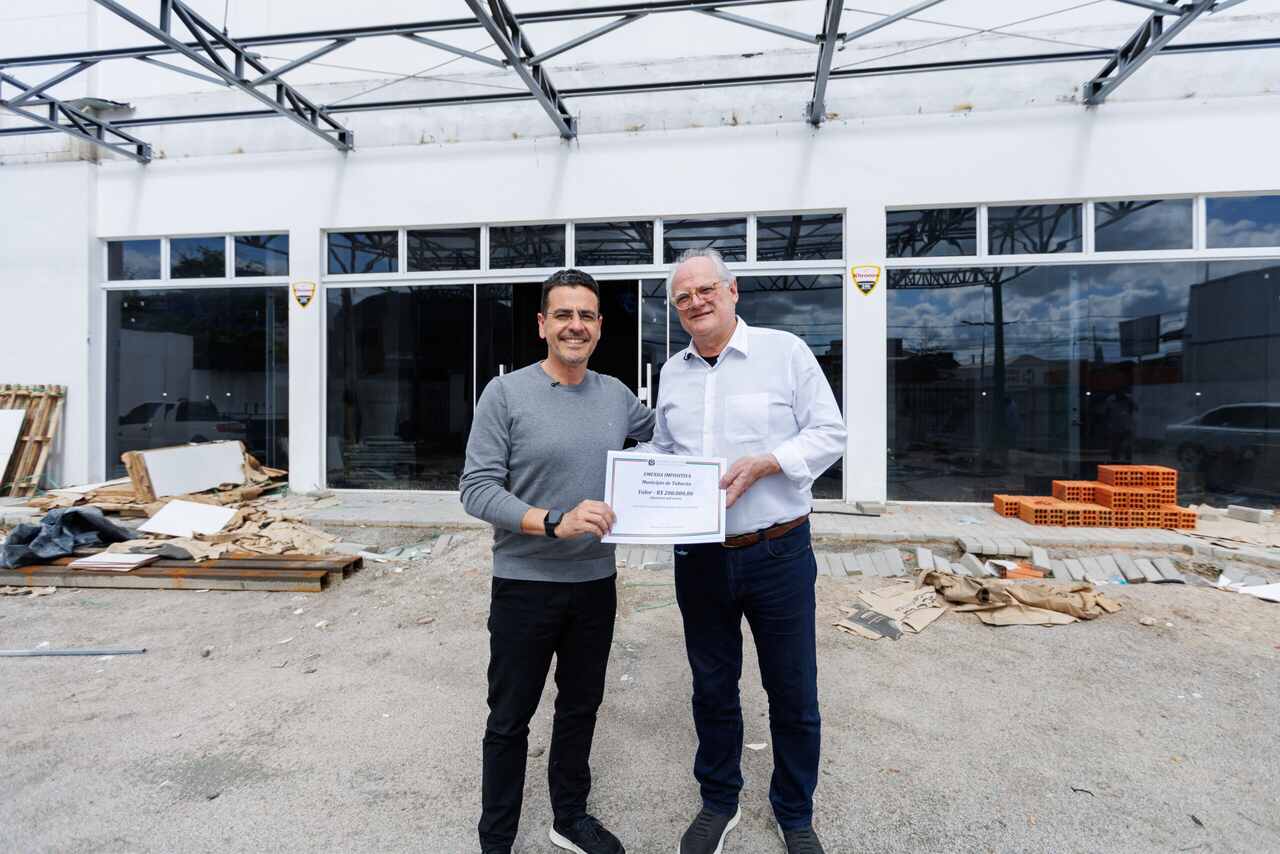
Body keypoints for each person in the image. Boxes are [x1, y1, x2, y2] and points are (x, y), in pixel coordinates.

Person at [646, 247, 846, 854]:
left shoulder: (785, 352)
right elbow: (664, 451)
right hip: (699, 556)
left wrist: (770, 462)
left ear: (732, 292)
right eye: (683, 297)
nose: (695, 302)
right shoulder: (672, 371)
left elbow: (830, 433)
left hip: (777, 551)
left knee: (793, 690)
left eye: (706, 289)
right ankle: (718, 801)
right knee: (712, 686)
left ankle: (795, 812)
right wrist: (633, 481)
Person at [460, 269, 655, 854]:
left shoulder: (617, 396)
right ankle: (496, 839)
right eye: (564, 315)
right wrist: (552, 520)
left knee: (580, 708)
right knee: (508, 719)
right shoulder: (504, 394)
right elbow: (476, 489)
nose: (576, 326)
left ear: (600, 326)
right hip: (525, 584)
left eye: (586, 315)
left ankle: (569, 817)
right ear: (542, 324)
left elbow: (672, 442)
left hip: (595, 583)